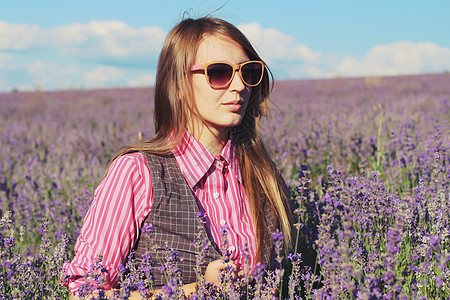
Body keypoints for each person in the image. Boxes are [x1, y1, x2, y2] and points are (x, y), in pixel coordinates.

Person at [63, 16, 294, 299]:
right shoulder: (137, 173)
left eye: (248, 72)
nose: (238, 86)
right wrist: (196, 292)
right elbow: (84, 293)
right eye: (219, 73)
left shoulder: (264, 177)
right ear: (178, 85)